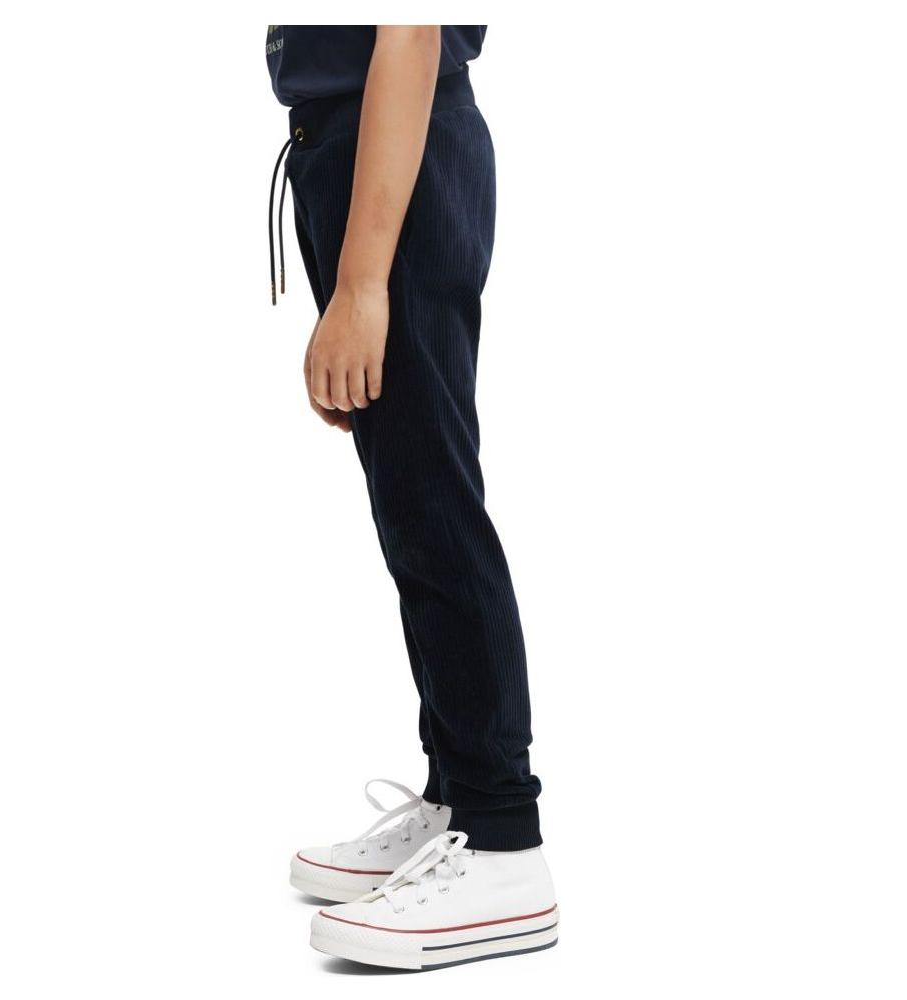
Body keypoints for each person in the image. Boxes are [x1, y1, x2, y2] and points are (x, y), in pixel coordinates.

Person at [266, 25, 557, 970]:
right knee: (414, 506)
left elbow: (412, 26)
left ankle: (503, 841)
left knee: (435, 509)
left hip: (396, 148)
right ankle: (456, 800)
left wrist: (361, 285)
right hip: (357, 151)